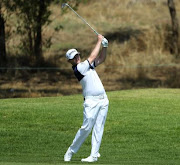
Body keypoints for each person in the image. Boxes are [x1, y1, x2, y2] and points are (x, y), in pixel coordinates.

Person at [64, 34, 109, 163]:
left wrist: (105, 47)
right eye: (74, 57)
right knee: (86, 127)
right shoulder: (79, 68)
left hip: (103, 99)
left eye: (77, 55)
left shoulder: (86, 65)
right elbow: (93, 56)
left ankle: (93, 155)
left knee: (99, 127)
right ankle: (71, 151)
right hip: (91, 101)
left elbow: (101, 58)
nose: (77, 58)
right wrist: (99, 41)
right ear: (70, 61)